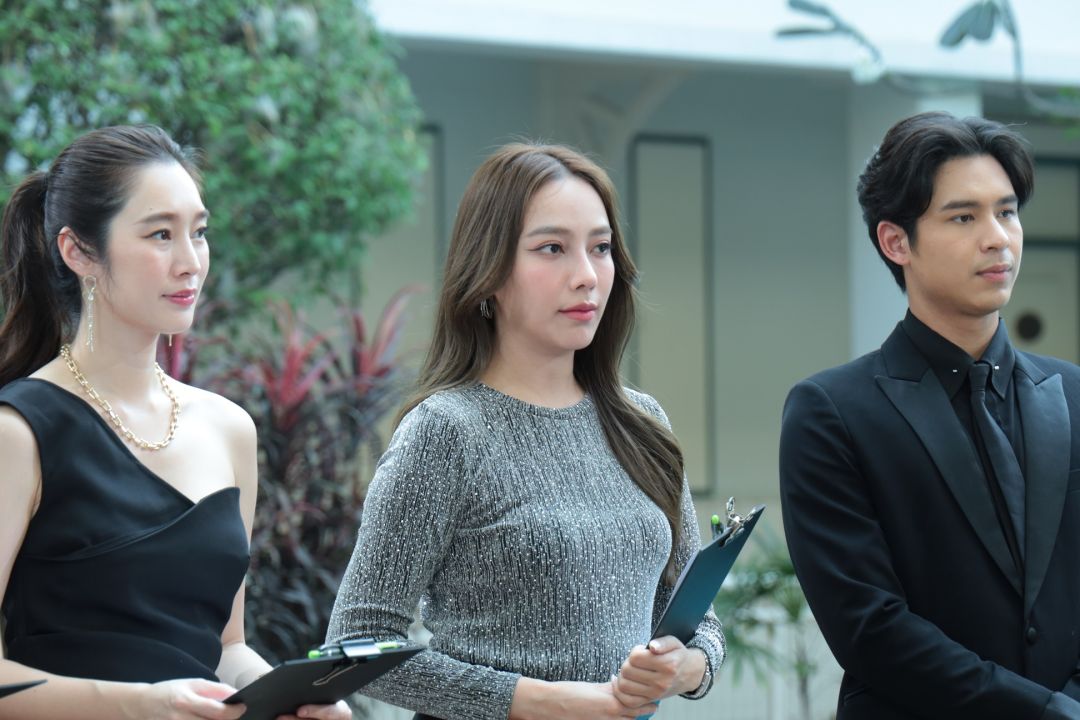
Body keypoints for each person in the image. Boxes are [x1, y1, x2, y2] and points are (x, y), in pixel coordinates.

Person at [326, 142, 725, 720]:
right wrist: (544, 700)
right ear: (489, 272)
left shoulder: (643, 423)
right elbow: (356, 648)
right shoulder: (446, 433)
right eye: (552, 249)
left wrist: (690, 667)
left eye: (601, 248)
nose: (586, 276)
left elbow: (696, 618)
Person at [0, 125, 349, 720]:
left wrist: (291, 699)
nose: (191, 262)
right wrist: (138, 704)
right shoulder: (19, 431)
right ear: (78, 252)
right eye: (161, 234)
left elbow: (227, 649)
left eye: (199, 232)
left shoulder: (228, 429)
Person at [779, 111, 1080, 720]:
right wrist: (1045, 712)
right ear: (896, 242)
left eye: (1007, 212)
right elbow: (870, 627)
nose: (997, 238)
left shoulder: (1073, 393)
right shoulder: (831, 412)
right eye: (964, 217)